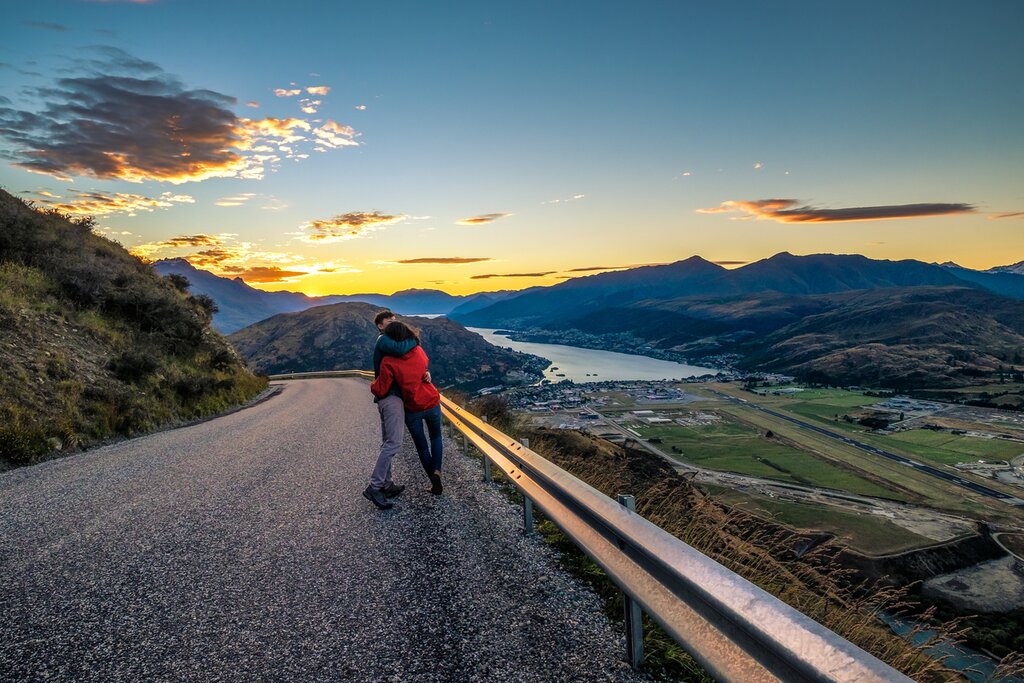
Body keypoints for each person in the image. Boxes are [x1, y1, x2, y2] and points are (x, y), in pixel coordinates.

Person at [370, 321, 444, 495]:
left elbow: (381, 388)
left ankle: (434, 483)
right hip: (431, 400)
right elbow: (424, 366)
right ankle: (437, 471)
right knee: (436, 437)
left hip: (412, 408)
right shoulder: (418, 350)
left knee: (422, 447)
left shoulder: (388, 361)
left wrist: (373, 386)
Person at [363, 310, 418, 510]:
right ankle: (375, 487)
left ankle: (386, 484)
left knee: (388, 442)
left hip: (388, 397)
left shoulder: (385, 339)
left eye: (395, 320)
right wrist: (415, 338)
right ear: (380, 325)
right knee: (394, 443)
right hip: (391, 397)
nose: (394, 323)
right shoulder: (383, 340)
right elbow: (402, 348)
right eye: (390, 321)